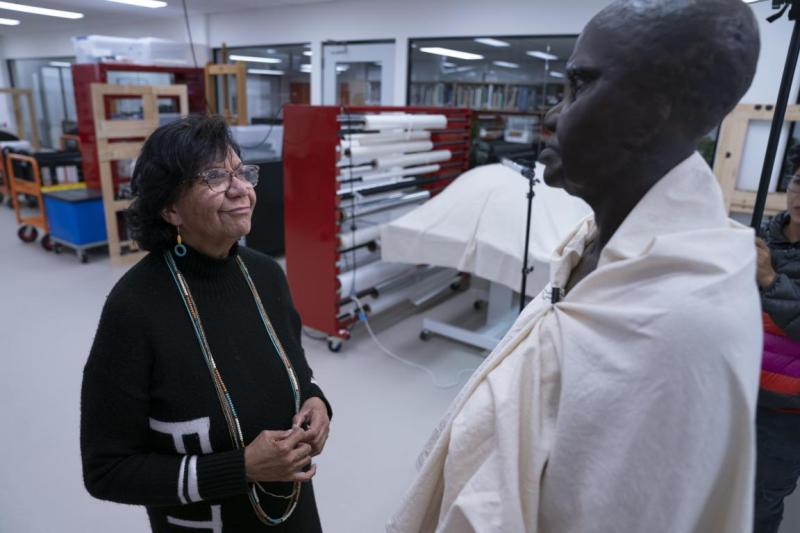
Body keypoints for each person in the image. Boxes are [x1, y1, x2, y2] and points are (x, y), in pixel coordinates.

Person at [388, 0, 762, 531]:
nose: (551, 116)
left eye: (579, 86)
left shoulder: (685, 324)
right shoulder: (595, 244)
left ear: (651, 111)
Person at [81, 114, 331, 532]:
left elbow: (297, 373)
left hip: (291, 513)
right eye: (215, 177)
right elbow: (106, 471)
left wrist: (317, 402)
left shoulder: (267, 275)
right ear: (170, 208)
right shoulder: (134, 308)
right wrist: (241, 468)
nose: (241, 189)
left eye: (242, 172)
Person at [753, 168, 800, 533]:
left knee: (762, 503)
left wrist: (769, 280)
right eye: (799, 181)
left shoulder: (765, 260)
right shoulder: (761, 237)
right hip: (738, 393)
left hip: (786, 412)